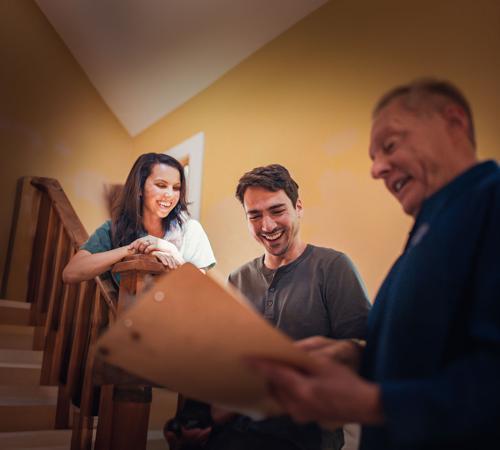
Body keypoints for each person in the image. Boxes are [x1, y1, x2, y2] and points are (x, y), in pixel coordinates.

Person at [247, 79, 500, 450]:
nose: (377, 169)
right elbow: (438, 352)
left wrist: (373, 403)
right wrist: (358, 358)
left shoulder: (490, 203)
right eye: (373, 157)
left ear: (454, 123)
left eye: (390, 145)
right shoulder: (429, 232)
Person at [166, 164, 370, 450]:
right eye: (255, 216)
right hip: (236, 429)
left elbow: (363, 354)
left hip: (304, 435)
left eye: (277, 211)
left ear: (298, 208)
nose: (267, 226)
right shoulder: (238, 279)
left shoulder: (333, 267)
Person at [63, 152, 216, 284]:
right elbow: (70, 273)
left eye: (176, 188)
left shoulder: (190, 229)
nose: (170, 194)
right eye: (161, 185)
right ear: (139, 188)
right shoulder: (113, 229)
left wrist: (172, 252)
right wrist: (132, 249)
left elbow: (199, 287)